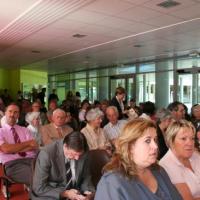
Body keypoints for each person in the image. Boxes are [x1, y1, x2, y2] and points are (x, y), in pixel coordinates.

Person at [95, 119, 182, 200]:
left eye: (155, 140)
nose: (155, 146)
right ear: (130, 146)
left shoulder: (158, 171)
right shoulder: (112, 183)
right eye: (147, 141)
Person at [32, 131, 95, 200]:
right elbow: (39, 187)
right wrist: (65, 193)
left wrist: (88, 193)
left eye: (79, 155)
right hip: (52, 194)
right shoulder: (47, 154)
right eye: (73, 154)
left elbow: (86, 177)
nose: (77, 158)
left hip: (76, 193)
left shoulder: (84, 151)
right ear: (65, 146)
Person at [0, 103, 38, 196]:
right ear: (5, 113)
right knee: (38, 178)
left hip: (31, 160)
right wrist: (26, 144)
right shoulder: (0, 132)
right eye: (10, 111)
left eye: (15, 112)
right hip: (12, 165)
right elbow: (6, 149)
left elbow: (33, 145)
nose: (12, 114)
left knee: (50, 171)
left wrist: (14, 148)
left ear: (19, 115)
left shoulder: (24, 130)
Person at [160, 120, 200, 199]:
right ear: (171, 141)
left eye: (192, 138)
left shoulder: (195, 156)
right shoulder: (166, 165)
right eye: (183, 138)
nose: (190, 143)